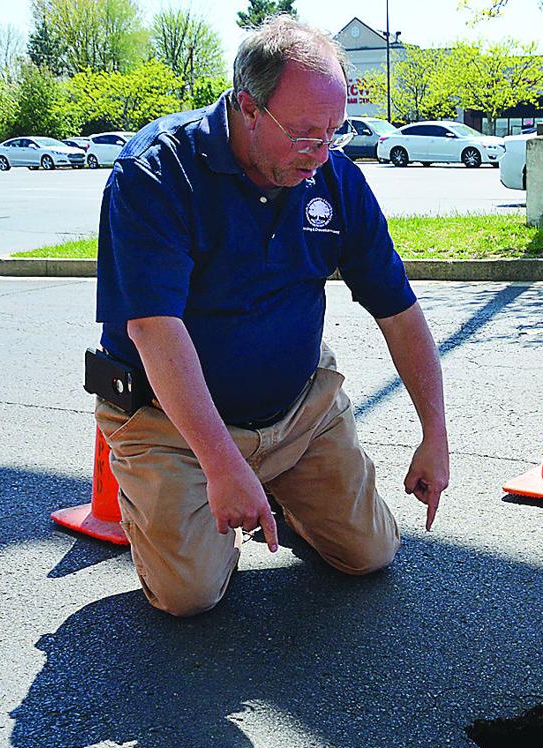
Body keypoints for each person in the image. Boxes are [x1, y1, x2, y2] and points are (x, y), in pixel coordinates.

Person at [93, 16, 449, 617]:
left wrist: (434, 436)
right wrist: (223, 465)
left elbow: (401, 313)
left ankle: (276, 492)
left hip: (298, 412)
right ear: (247, 107)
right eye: (306, 134)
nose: (321, 154)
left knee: (371, 554)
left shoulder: (335, 180)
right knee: (190, 596)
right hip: (172, 425)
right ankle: (183, 505)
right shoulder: (156, 173)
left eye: (333, 133)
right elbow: (154, 329)